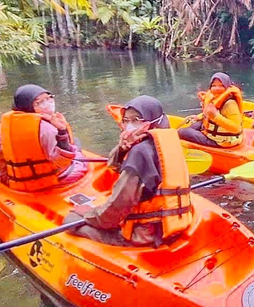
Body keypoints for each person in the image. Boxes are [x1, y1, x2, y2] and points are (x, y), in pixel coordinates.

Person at [64, 96, 192, 247]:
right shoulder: (167, 141)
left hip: (143, 235)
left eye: (136, 119)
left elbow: (116, 210)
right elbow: (114, 166)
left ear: (151, 122)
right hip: (170, 226)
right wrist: (123, 149)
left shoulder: (140, 153)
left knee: (70, 221)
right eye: (126, 120)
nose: (129, 125)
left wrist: (87, 213)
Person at [0, 84, 86, 191]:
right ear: (28, 106)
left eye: (49, 98)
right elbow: (62, 162)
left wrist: (7, 175)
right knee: (75, 143)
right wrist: (62, 131)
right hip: (53, 180)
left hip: (18, 181)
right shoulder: (47, 128)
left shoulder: (8, 126)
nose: (47, 103)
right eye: (39, 102)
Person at [178, 72, 243, 147]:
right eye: (214, 85)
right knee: (193, 126)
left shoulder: (230, 104)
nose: (217, 88)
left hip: (223, 141)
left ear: (227, 86)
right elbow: (209, 113)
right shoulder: (215, 97)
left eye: (221, 86)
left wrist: (216, 116)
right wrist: (198, 117)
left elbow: (236, 128)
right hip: (212, 132)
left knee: (181, 132)